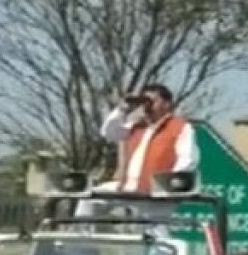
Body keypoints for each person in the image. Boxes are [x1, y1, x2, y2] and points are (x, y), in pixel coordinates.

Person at [76, 84, 199, 217]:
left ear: (167, 104)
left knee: (151, 232)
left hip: (155, 192)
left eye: (152, 101)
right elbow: (108, 132)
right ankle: (80, 235)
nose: (147, 106)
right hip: (127, 188)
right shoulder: (137, 126)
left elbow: (188, 159)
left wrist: (170, 184)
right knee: (90, 199)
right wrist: (123, 108)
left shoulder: (179, 127)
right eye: (145, 101)